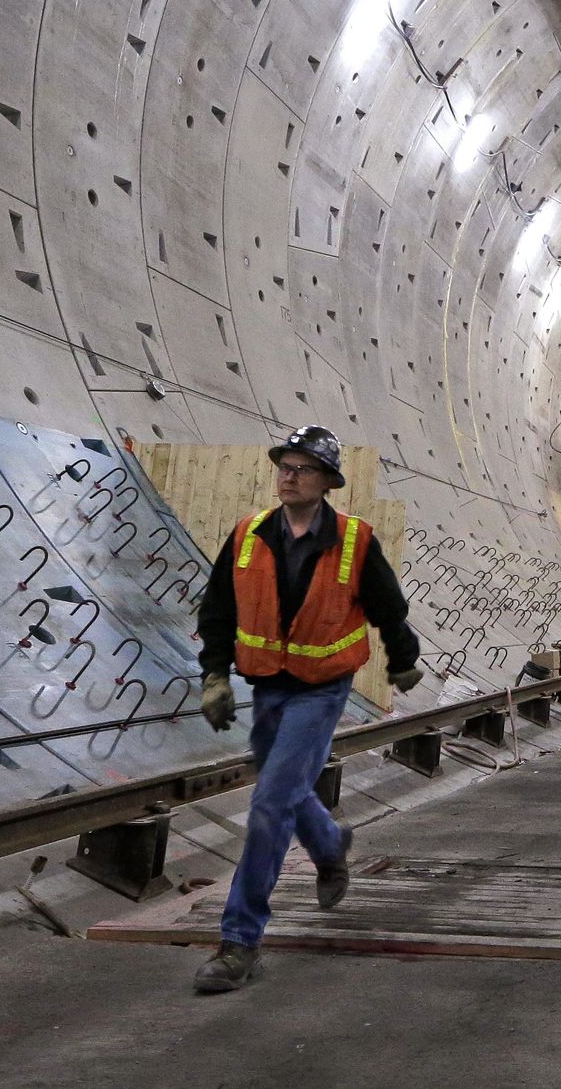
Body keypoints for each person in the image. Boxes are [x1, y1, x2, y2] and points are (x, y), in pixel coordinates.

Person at [191, 425, 423, 994]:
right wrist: (215, 675)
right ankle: (328, 843)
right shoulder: (248, 535)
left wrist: (402, 660)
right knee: (286, 789)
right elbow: (217, 609)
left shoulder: (354, 541)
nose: (289, 476)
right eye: (284, 467)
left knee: (270, 803)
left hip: (322, 688)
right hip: (268, 684)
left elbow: (388, 607)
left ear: (325, 483)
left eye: (302, 469)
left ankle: (240, 940)